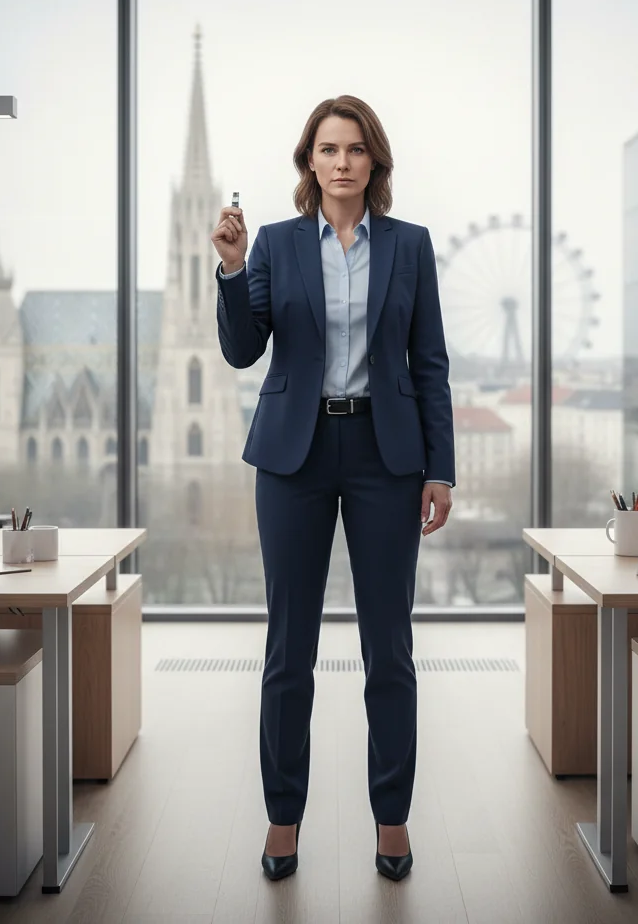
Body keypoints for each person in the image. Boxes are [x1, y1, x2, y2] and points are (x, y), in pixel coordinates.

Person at [212, 95, 455, 883]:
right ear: (308, 162)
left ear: (374, 163)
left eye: (355, 150)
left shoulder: (410, 247)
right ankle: (283, 818)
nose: (341, 162)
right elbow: (244, 351)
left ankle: (393, 818)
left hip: (388, 457)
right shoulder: (277, 247)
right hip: (294, 455)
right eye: (327, 149)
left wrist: (440, 467)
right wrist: (231, 269)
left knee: (390, 649)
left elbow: (430, 366)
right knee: (290, 650)